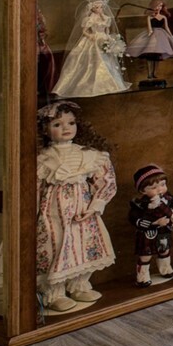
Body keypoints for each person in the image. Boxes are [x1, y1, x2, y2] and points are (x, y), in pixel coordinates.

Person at [35, 101, 117, 314]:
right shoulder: (43, 158)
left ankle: (78, 285)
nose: (66, 128)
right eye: (57, 124)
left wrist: (95, 205)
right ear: (44, 130)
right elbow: (34, 188)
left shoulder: (88, 154)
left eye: (71, 123)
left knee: (84, 244)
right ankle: (54, 293)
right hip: (54, 212)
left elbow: (106, 181)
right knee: (57, 246)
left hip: (83, 210)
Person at [52, 0, 129, 97]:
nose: (99, 9)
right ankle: (88, 84)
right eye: (97, 7)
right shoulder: (89, 19)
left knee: (107, 60)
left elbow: (107, 30)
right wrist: (91, 36)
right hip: (93, 39)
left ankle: (109, 84)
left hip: (103, 39)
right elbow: (84, 31)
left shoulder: (106, 18)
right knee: (90, 60)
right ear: (92, 8)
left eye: (101, 7)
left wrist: (109, 38)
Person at [127, 164, 173, 287]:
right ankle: (142, 278)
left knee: (164, 251)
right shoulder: (139, 205)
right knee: (146, 256)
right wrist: (154, 223)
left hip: (164, 232)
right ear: (142, 190)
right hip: (148, 234)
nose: (160, 189)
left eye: (163, 184)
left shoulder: (169, 199)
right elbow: (135, 220)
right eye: (154, 187)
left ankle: (166, 270)